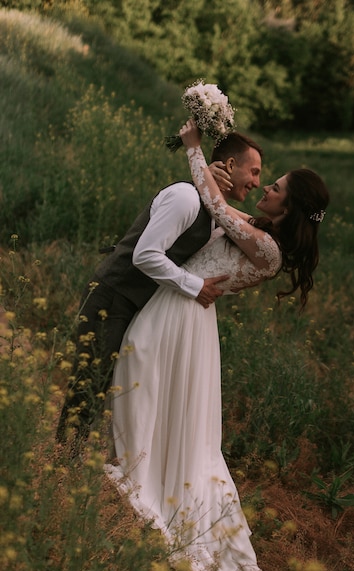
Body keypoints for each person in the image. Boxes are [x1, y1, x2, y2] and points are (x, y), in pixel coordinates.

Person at [104, 120, 329, 571]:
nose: (266, 188)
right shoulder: (259, 228)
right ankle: (139, 465)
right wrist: (213, 170)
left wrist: (195, 151)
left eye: (275, 187)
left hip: (186, 316)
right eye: (265, 180)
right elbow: (216, 208)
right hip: (182, 305)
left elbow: (216, 208)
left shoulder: (267, 248)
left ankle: (143, 479)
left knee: (144, 383)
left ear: (287, 207)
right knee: (145, 389)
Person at [56, 131, 263, 450]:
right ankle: (62, 461)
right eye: (254, 172)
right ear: (231, 164)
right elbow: (145, 254)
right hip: (114, 293)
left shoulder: (217, 213)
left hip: (137, 303)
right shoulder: (186, 197)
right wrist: (195, 288)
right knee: (90, 384)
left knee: (109, 384)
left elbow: (258, 231)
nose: (257, 182)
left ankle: (78, 458)